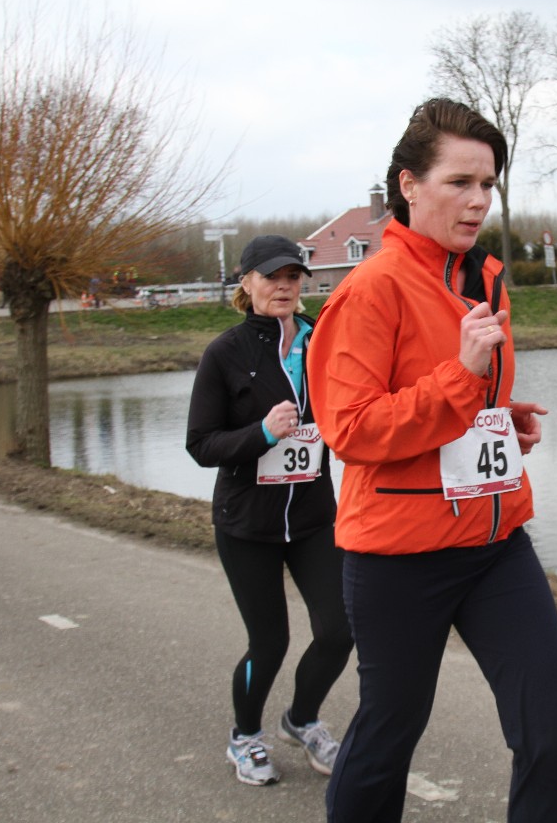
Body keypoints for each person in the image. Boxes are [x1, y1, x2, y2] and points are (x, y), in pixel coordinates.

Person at [307, 98, 557, 823]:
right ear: (409, 184)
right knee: (387, 737)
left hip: (495, 544)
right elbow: (351, 428)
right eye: (459, 182)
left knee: (556, 731)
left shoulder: (484, 279)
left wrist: (497, 415)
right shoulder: (370, 290)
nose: (478, 201)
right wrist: (464, 382)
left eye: (488, 184)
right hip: (400, 555)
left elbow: (450, 405)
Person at [186, 234, 353, 786]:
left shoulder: (322, 340)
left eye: (292, 276)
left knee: (340, 629)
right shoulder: (225, 353)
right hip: (247, 524)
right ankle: (244, 737)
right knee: (271, 642)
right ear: (247, 282)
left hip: (312, 517)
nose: (283, 286)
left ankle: (301, 720)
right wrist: (261, 432)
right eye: (270, 276)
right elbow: (201, 444)